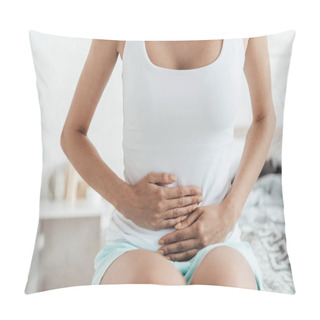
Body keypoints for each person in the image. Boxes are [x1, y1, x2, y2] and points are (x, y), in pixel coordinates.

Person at [60, 36, 276, 290]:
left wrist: (231, 212)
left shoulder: (247, 21)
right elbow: (72, 134)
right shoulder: (117, 23)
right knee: (157, 289)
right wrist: (124, 199)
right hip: (135, 243)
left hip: (218, 241)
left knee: (228, 285)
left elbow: (264, 118)